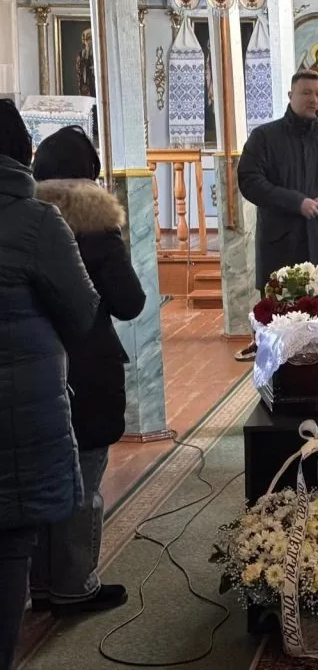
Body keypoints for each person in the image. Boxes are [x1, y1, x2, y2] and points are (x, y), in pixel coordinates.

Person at [29, 126, 146, 616]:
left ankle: (38, 585)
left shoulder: (23, 219)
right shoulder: (94, 223)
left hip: (32, 367)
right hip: (87, 368)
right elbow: (129, 301)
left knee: (38, 478)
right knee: (82, 479)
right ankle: (76, 586)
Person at [0, 101, 100, 670]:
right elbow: (83, 310)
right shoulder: (36, 221)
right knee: (12, 541)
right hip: (17, 411)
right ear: (22, 151)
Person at [235, 70, 318, 361]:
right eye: (306, 93)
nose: (313, 99)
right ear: (291, 96)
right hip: (280, 246)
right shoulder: (264, 137)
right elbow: (249, 180)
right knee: (279, 330)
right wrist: (297, 202)